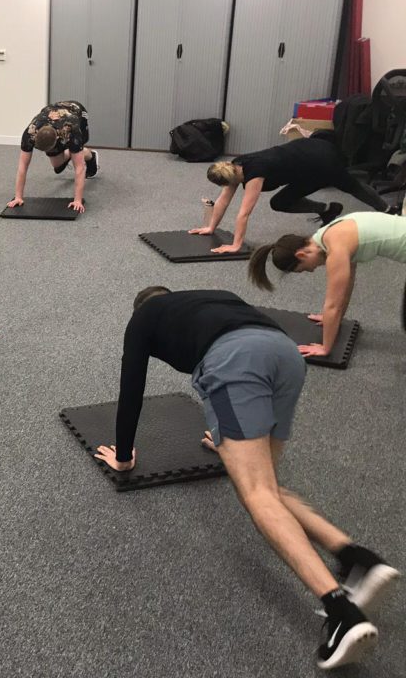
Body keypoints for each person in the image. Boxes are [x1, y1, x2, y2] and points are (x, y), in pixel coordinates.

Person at [95, 286, 398, 670]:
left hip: (233, 363)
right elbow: (248, 340)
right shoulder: (212, 296)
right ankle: (357, 558)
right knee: (267, 484)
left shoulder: (142, 318)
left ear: (141, 306)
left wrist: (123, 457)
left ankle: (341, 613)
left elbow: (131, 389)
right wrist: (229, 438)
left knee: (256, 494)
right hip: (284, 355)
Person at [189, 132, 394, 254]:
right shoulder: (234, 168)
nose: (228, 190)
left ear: (229, 177)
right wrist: (210, 227)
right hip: (301, 162)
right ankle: (328, 209)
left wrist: (236, 245)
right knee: (280, 202)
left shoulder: (254, 174)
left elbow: (244, 212)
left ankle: (388, 210)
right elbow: (223, 201)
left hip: (320, 158)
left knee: (351, 186)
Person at [248, 211, 406, 357]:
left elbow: (332, 305)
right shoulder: (329, 233)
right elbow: (346, 284)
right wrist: (334, 319)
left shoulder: (336, 249)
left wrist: (325, 348)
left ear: (301, 254)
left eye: (302, 269)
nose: (310, 271)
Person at [7, 101, 99, 214]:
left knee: (77, 152)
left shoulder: (72, 130)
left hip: (78, 112)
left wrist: (77, 200)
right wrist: (18, 197)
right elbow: (22, 167)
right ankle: (73, 152)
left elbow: (79, 169)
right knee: (57, 166)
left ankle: (90, 156)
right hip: (54, 115)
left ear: (57, 140)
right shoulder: (30, 133)